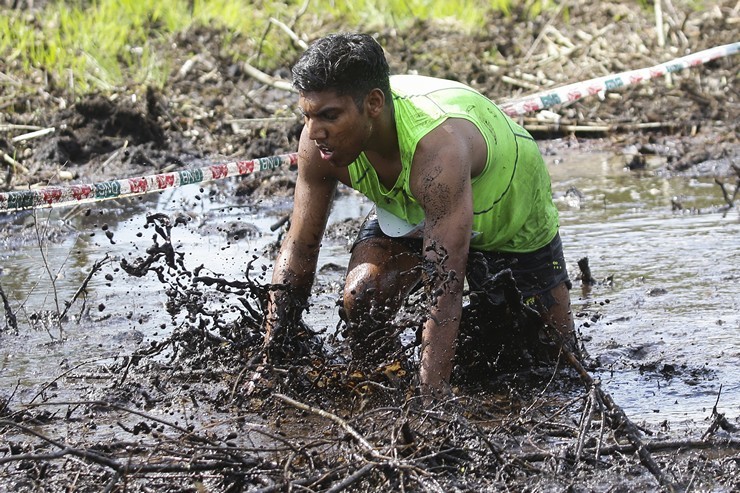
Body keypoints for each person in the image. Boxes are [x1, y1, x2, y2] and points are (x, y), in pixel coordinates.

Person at [263, 32, 576, 398]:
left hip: (510, 211)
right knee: (363, 297)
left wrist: (432, 403)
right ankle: (386, 390)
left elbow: (443, 283)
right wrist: (271, 361)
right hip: (416, 206)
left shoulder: (436, 148)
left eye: (329, 116)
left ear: (374, 104)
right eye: (307, 115)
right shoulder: (319, 143)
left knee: (559, 362)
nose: (314, 132)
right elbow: (299, 247)